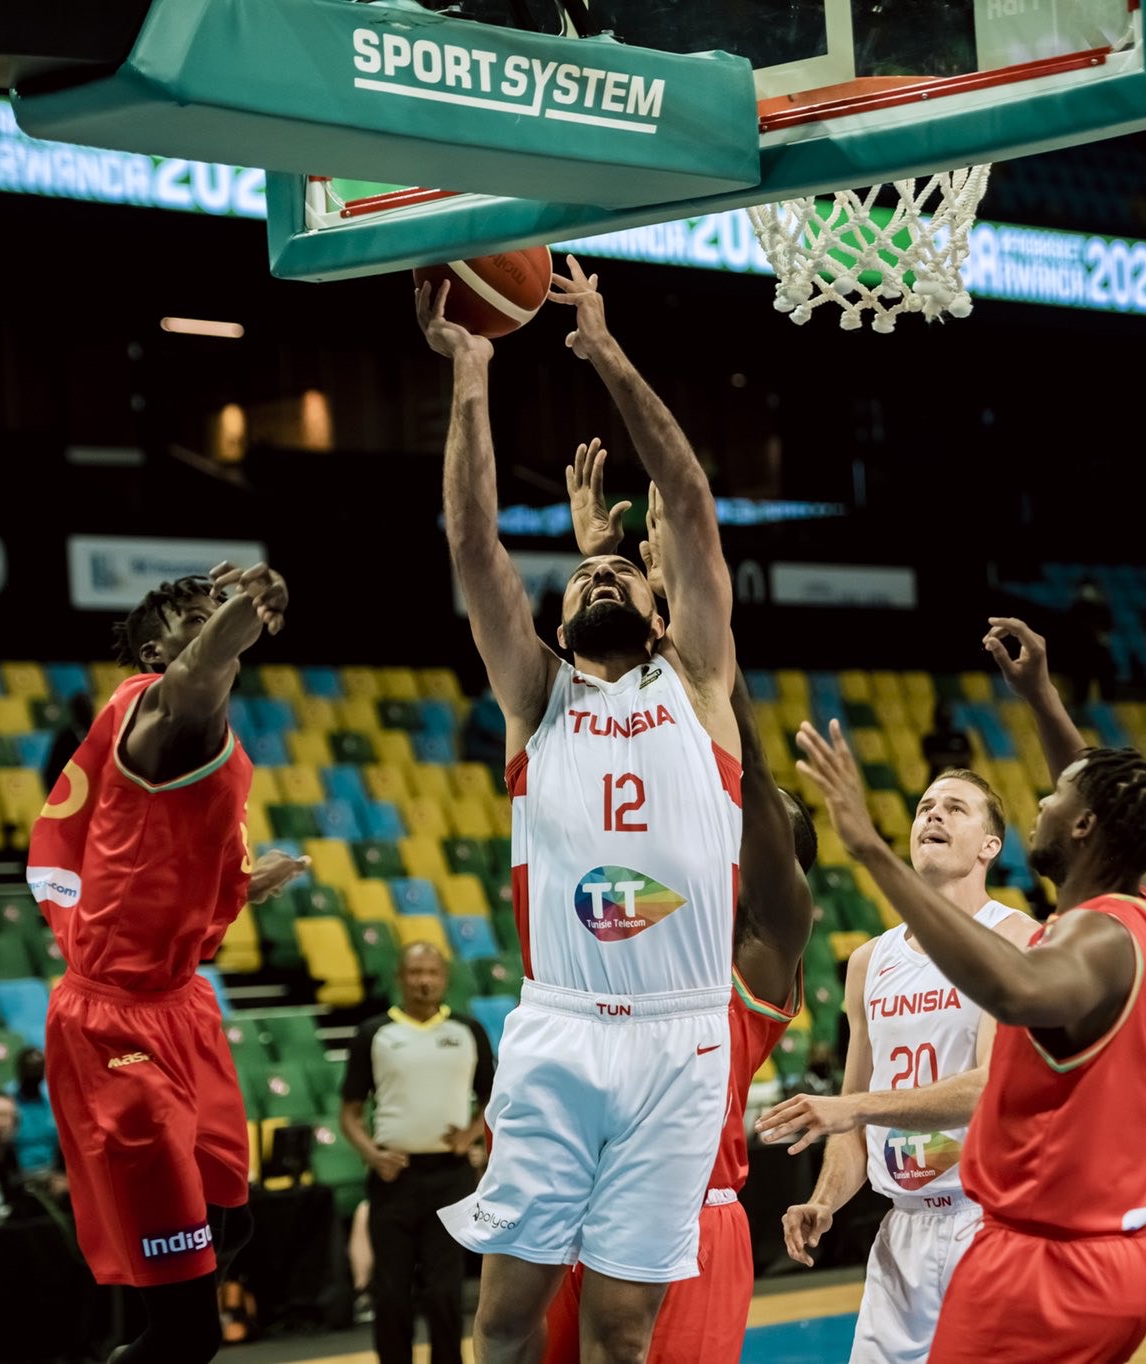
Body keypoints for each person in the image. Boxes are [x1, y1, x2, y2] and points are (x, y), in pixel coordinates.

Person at [419, 258, 744, 1364]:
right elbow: (473, 547)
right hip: (558, 1024)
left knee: (617, 1327)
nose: (595, 582)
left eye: (617, 580)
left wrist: (602, 351)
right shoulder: (535, 697)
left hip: (681, 1036)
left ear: (664, 612)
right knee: (503, 1318)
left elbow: (690, 503)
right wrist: (471, 377)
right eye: (577, 584)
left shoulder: (698, 683)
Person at [539, 448, 819, 1364]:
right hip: (579, 1211)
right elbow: (596, 747)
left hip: (693, 1223)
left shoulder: (754, 962)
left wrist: (680, 626)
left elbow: (730, 744)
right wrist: (613, 586)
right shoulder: (641, 913)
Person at [794, 716, 1146, 1364]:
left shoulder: (1032, 945)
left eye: (954, 807)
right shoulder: (871, 960)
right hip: (907, 1226)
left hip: (992, 1223)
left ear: (990, 846)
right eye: (923, 806)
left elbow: (984, 1077)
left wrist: (867, 846)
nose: (932, 816)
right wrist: (824, 1199)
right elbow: (852, 1115)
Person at [27, 562, 311, 1364]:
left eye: (216, 608)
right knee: (187, 1333)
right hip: (116, 1024)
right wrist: (249, 604)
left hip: (183, 1002)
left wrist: (243, 884)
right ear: (157, 648)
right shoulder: (157, 712)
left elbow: (155, 858)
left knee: (236, 1217)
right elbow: (201, 669)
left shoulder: (202, 733)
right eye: (196, 614)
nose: (214, 621)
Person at [338, 943, 496, 1364]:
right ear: (399, 978)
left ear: (444, 978)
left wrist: (471, 1135)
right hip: (394, 1176)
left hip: (451, 1176)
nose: (424, 980)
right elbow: (349, 1112)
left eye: (432, 972)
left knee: (444, 1291)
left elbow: (493, 1097)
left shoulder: (467, 1031)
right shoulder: (375, 1033)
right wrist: (373, 1155)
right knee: (390, 1291)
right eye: (415, 972)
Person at [6, 1047, 60, 1174]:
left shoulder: (51, 1101)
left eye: (39, 1068)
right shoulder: (8, 1103)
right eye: (29, 1068)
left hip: (52, 1171)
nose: (34, 1073)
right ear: (19, 1070)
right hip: (19, 1173)